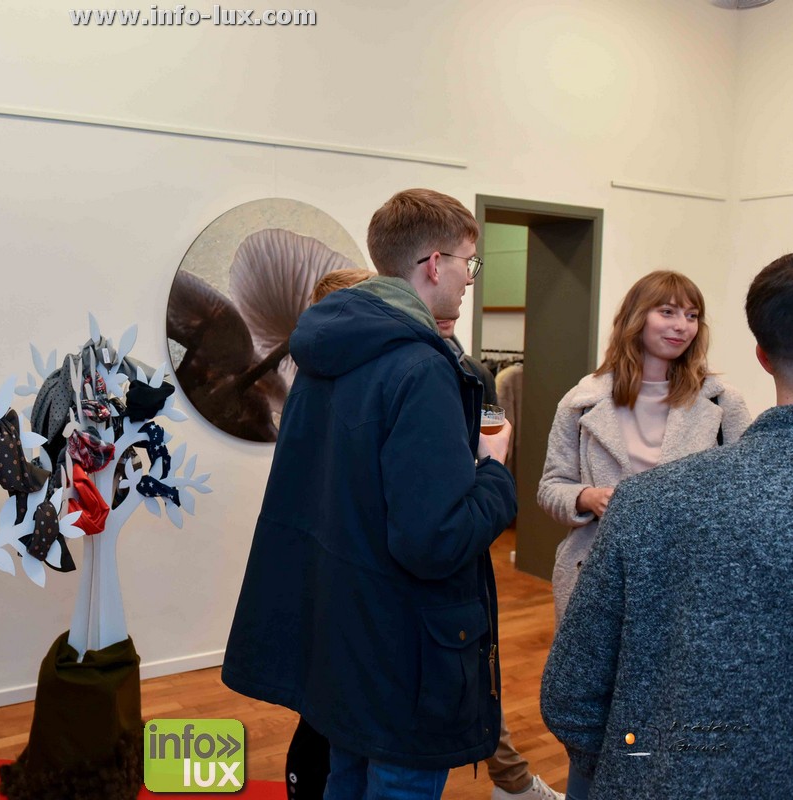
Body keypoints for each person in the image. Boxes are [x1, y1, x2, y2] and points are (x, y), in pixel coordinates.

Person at [222, 188, 517, 800]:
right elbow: (433, 541)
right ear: (433, 264)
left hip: (345, 631)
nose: (470, 278)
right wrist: (494, 472)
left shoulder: (325, 355)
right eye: (468, 262)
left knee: (346, 779)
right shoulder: (421, 368)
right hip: (405, 648)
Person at [281, 267, 561, 800]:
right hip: (405, 613)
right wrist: (494, 473)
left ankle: (512, 778)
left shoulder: (464, 372)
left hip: (375, 610)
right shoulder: (404, 373)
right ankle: (513, 779)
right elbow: (434, 533)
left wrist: (484, 457)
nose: (460, 293)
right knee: (379, 757)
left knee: (354, 757)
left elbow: (488, 431)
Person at [539, 255, 793, 797]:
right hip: (597, 570)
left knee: (670, 696)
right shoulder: (582, 401)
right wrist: (587, 497)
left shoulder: (721, 402)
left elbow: (753, 480)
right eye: (668, 311)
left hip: (690, 581)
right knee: (598, 691)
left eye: (692, 315)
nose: (681, 326)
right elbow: (550, 486)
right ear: (636, 318)